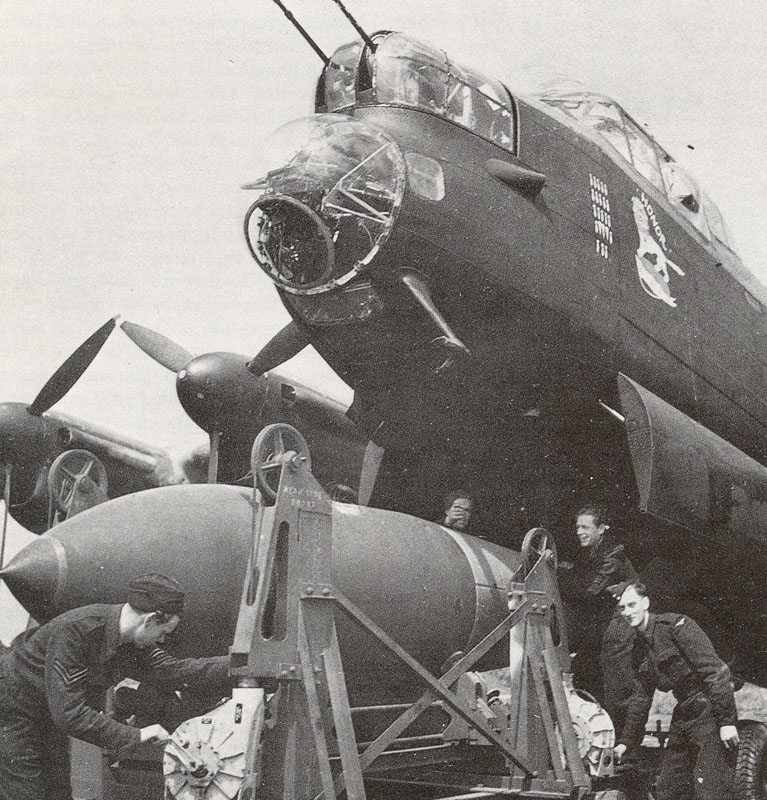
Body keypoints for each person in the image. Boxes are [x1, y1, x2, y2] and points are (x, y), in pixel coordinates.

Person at [0, 573, 230, 800]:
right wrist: (137, 735)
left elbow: (172, 671)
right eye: (163, 632)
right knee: (26, 791)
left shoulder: (132, 642)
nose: (162, 640)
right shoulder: (78, 632)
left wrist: (238, 663)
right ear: (149, 619)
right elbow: (69, 714)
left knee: (57, 792)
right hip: (14, 710)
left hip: (48, 713)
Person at [613, 581, 738, 800]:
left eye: (632, 605)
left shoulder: (675, 626)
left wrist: (726, 722)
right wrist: (626, 742)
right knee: (669, 789)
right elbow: (641, 699)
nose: (628, 612)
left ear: (646, 603)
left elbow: (716, 672)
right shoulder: (639, 647)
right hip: (684, 713)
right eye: (622, 608)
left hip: (709, 710)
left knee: (711, 789)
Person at [557, 506, 637, 717]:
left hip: (619, 629)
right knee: (584, 677)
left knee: (616, 690)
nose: (579, 532)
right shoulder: (591, 553)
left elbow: (588, 589)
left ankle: (621, 745)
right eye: (577, 527)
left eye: (585, 527)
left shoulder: (613, 555)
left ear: (601, 529)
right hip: (601, 628)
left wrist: (557, 575)